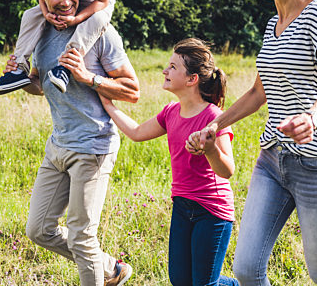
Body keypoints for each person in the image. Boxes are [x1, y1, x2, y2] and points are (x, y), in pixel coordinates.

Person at [187, 0, 317, 285]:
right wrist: (216, 124)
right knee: (246, 269)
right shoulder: (272, 24)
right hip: (273, 162)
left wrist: (313, 116)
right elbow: (259, 93)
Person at [5, 0, 138, 286]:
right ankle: (111, 269)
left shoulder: (101, 31)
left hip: (93, 146)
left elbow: (132, 91)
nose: (65, 1)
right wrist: (20, 78)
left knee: (81, 235)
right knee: (38, 229)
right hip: (58, 146)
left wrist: (87, 77)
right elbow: (41, 85)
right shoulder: (40, 33)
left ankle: (100, 270)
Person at [100, 38, 239, 286]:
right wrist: (108, 104)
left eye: (173, 67)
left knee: (204, 284)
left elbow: (227, 170)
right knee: (180, 281)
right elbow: (136, 132)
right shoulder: (171, 112)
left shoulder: (214, 117)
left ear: (191, 79)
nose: (165, 71)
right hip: (183, 206)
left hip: (212, 211)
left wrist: (210, 150)